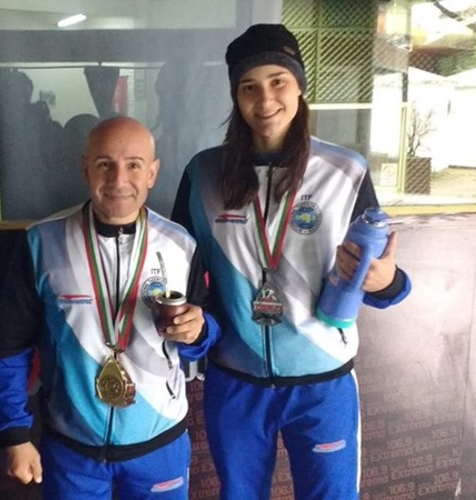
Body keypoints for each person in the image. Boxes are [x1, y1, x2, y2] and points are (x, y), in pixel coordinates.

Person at [171, 24, 412, 499]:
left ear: (300, 86)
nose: (265, 99)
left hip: (323, 382)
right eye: (249, 87)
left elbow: (376, 269)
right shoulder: (203, 174)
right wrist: (197, 332)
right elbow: (183, 280)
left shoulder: (346, 170)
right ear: (236, 98)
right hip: (236, 381)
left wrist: (385, 282)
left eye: (278, 80)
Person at [0, 116, 220, 499]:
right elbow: (10, 345)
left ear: (152, 173)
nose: (118, 180)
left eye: (133, 165)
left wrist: (199, 332)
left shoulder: (182, 244)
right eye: (104, 165)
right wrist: (13, 432)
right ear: (86, 169)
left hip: (159, 441)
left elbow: (209, 327)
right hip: (71, 447)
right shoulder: (41, 243)